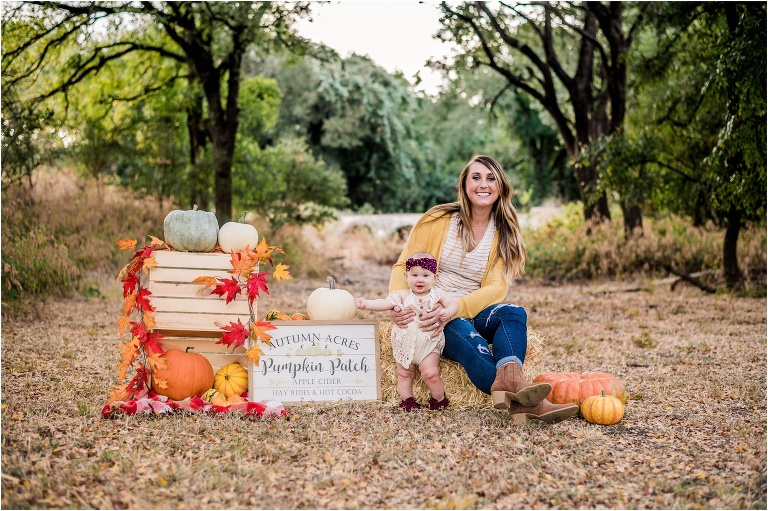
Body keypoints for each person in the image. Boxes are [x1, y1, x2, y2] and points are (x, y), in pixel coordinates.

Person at [388, 155, 579, 424]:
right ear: (464, 184)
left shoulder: (504, 232)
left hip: (471, 309)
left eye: (491, 178)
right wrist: (398, 305)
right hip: (436, 315)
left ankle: (511, 380)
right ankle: (533, 405)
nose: (483, 184)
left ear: (500, 186)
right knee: (471, 341)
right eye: (476, 177)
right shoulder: (437, 220)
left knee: (513, 312)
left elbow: (496, 287)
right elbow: (402, 266)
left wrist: (459, 305)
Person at [356, 252, 458, 412]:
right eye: (415, 274)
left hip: (428, 342)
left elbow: (452, 303)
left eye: (426, 275)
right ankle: (408, 400)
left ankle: (439, 399)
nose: (420, 279)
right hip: (404, 342)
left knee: (430, 373)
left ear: (435, 277)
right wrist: (367, 303)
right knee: (404, 374)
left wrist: (449, 312)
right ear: (406, 275)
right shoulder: (402, 295)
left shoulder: (437, 295)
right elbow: (384, 303)